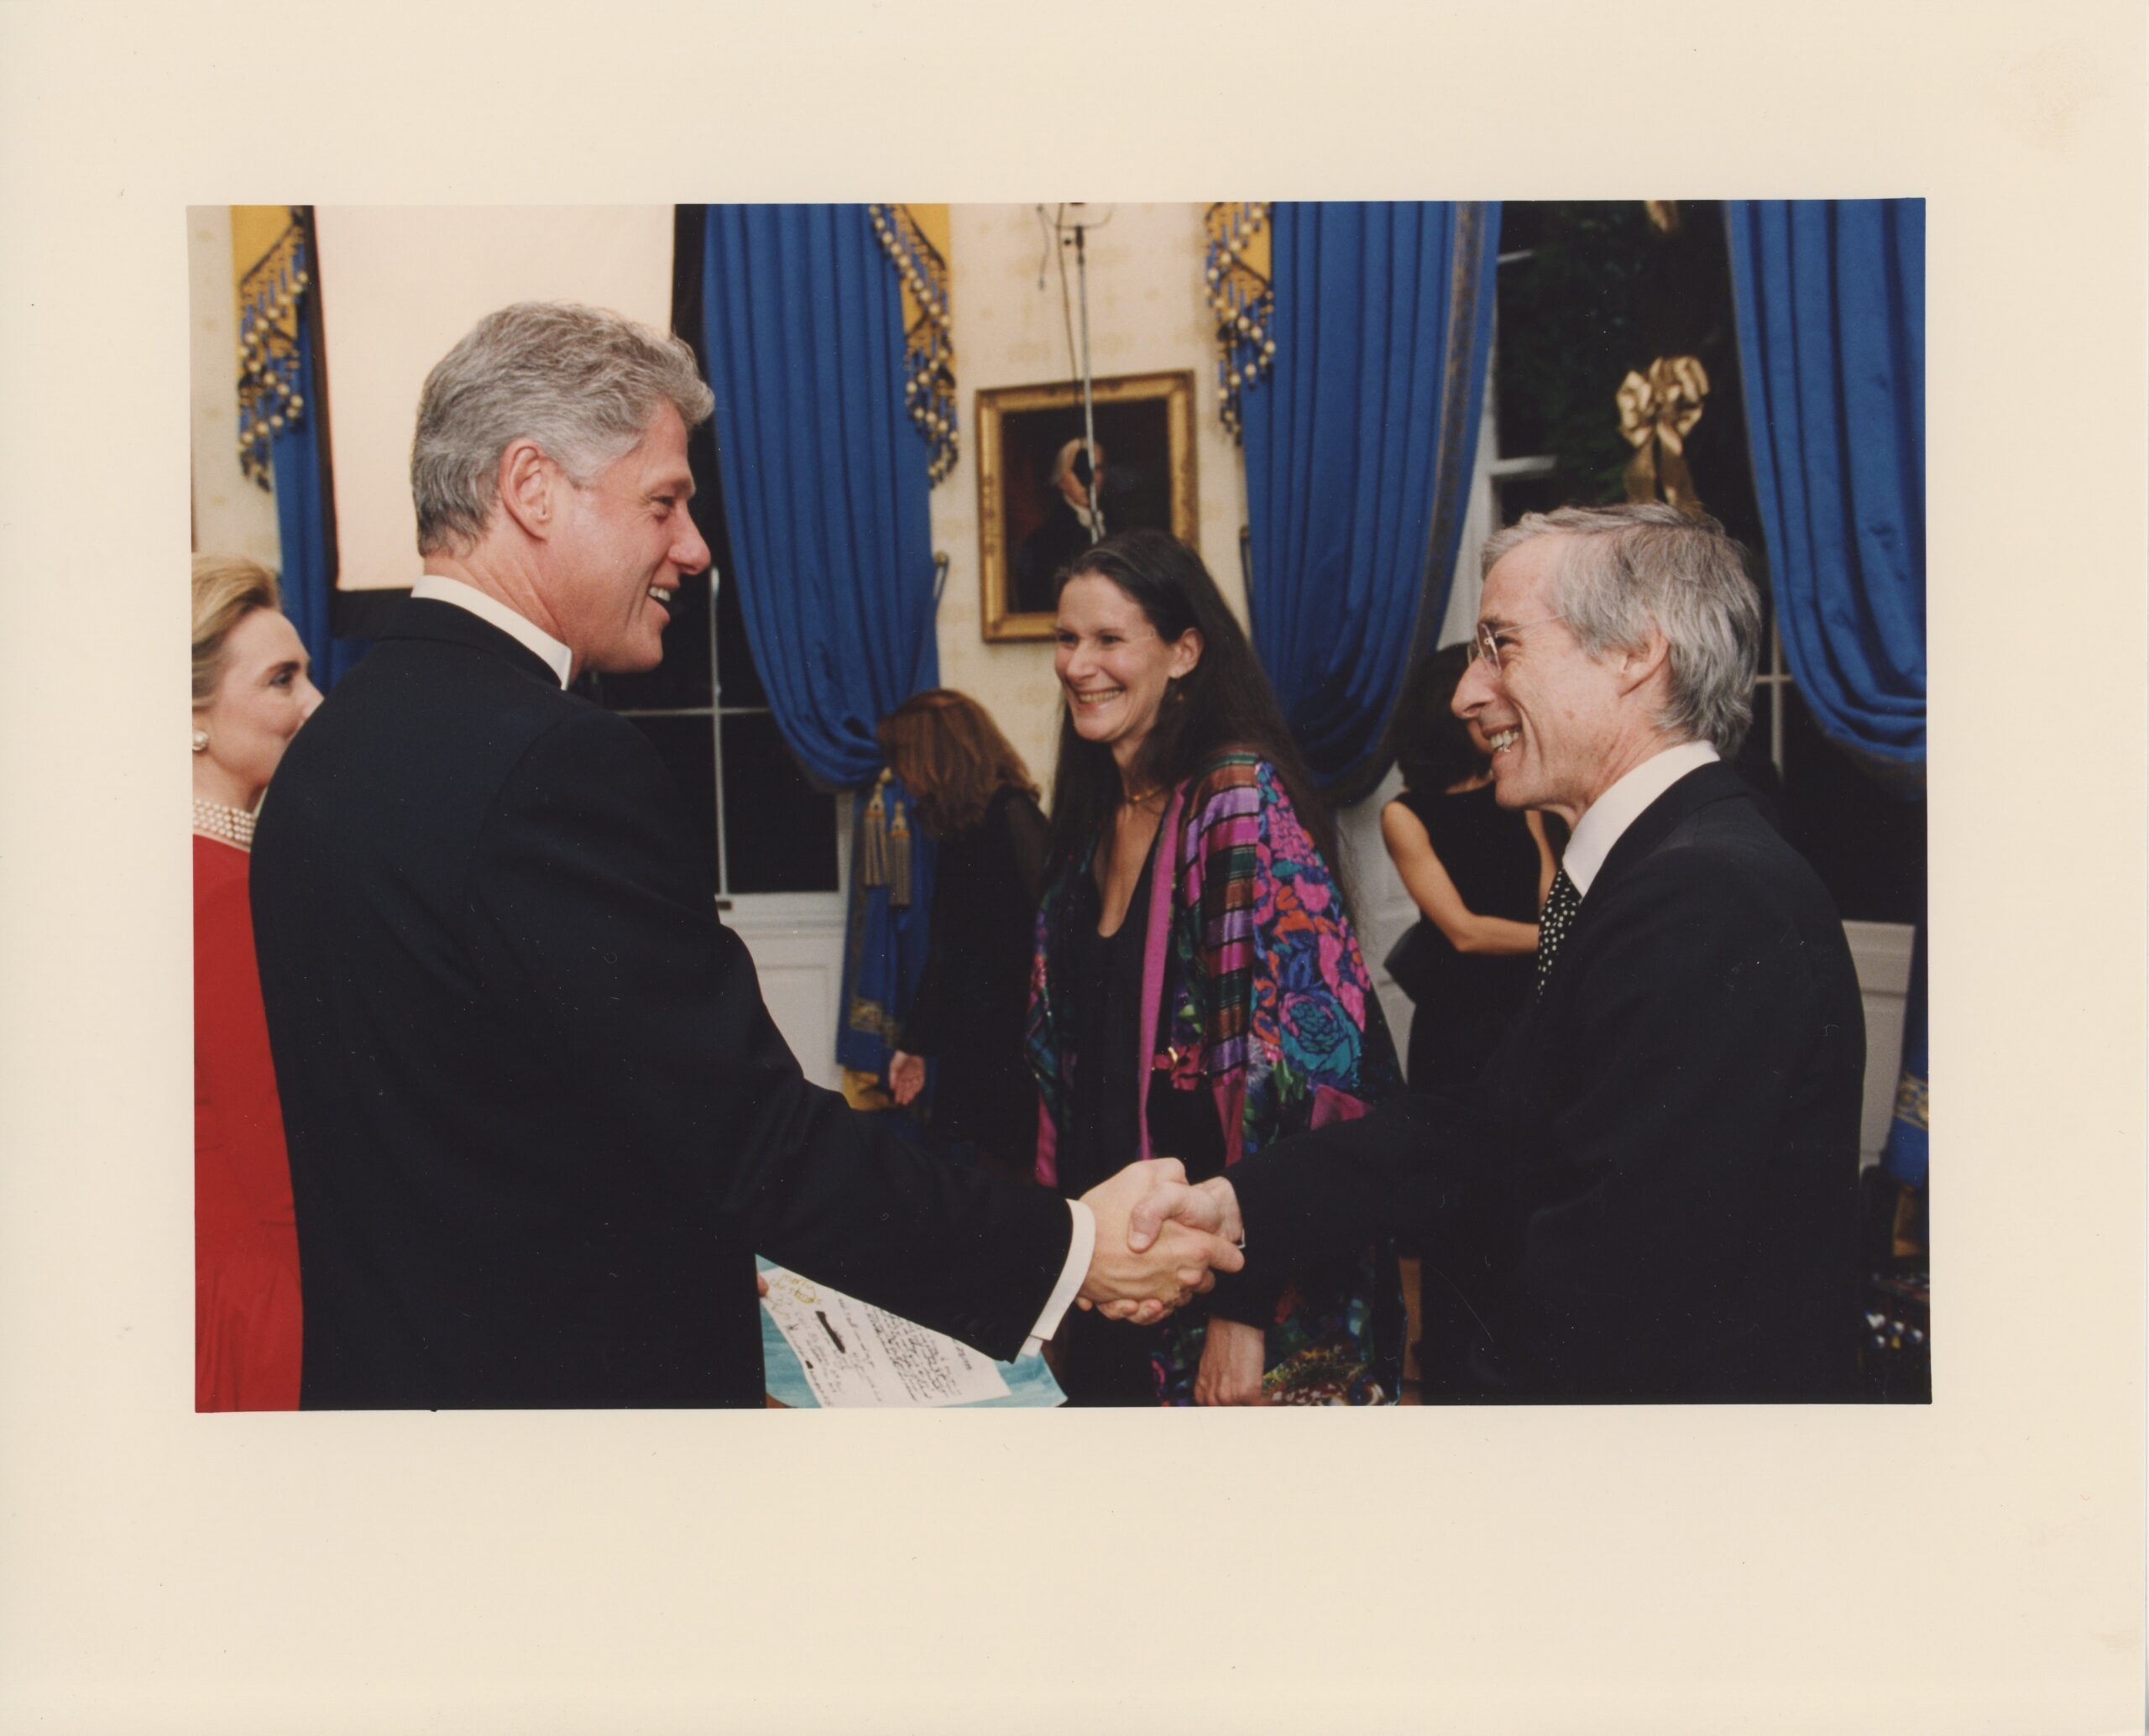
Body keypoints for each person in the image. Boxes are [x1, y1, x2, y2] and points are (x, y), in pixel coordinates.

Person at [248, 301, 1238, 1409]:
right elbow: (749, 1135)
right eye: (664, 502)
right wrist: (1070, 1249)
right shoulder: (553, 762)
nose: (695, 547)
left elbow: (525, 1133)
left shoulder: (324, 755)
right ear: (531, 489)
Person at [1125, 505, 1867, 1402]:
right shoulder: (1652, 870)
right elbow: (1489, 1131)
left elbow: (1610, 1299)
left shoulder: (1702, 898)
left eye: (1500, 646)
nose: (1466, 694)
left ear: (1637, 652)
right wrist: (1237, 1203)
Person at [1029, 528, 1404, 1406]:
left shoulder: (1235, 802)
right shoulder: (1090, 824)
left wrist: (1246, 1306)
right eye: (1066, 638)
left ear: (1185, 651)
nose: (1080, 664)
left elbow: (1308, 1075)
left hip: (1230, 1291)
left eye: (1110, 639)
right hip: (1124, 1279)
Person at [191, 553, 322, 1410]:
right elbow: (274, 1150)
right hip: (260, 1290)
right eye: (282, 680)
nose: (314, 704)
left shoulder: (208, 866)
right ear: (189, 714)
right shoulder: (215, 888)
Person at [878, 690, 1051, 1185]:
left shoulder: (1013, 815)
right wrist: (916, 1046)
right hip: (986, 1045)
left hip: (1021, 1049)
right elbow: (950, 951)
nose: (900, 776)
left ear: (938, 754)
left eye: (904, 758)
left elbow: (1053, 939)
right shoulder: (959, 830)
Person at [1380, 642, 1554, 1095]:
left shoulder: (1513, 790)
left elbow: (1548, 886)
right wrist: (1560, 938)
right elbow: (1464, 932)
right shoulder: (1405, 815)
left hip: (1531, 999)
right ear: (1447, 710)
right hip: (1460, 1020)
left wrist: (1565, 934)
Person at [1010, 436, 1104, 614]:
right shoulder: (1040, 542)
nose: (1089, 480)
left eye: (1096, 469)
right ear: (1060, 479)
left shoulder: (1119, 528)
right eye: (1079, 470)